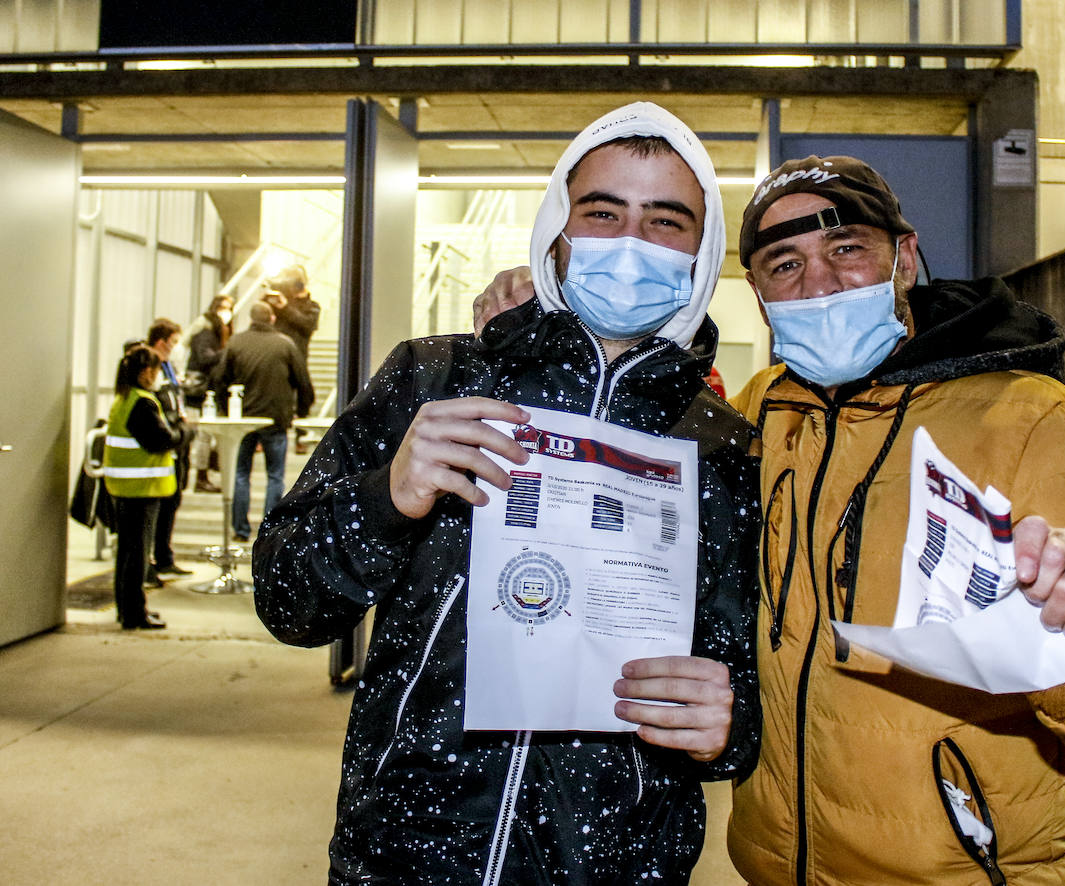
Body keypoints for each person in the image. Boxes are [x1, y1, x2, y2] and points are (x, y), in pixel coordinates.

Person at [473, 154, 1065, 884]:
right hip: (772, 864)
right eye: (784, 265)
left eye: (847, 250)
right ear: (756, 294)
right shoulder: (760, 413)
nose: (819, 284)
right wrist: (545, 324)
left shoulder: (1037, 423)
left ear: (904, 258)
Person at [251, 102, 761, 884]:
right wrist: (387, 497)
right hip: (404, 856)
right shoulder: (436, 379)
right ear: (557, 229)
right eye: (602, 212)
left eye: (666, 222)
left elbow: (745, 690)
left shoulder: (720, 447)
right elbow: (288, 602)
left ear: (703, 252)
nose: (629, 244)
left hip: (617, 866)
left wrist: (723, 726)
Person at [103, 345, 193, 629]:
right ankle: (134, 613)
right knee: (137, 555)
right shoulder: (143, 402)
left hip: (126, 488)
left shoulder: (123, 398)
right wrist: (187, 431)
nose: (157, 376)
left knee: (127, 554)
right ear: (146, 372)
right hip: (142, 489)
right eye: (155, 370)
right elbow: (162, 440)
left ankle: (127, 609)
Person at [214, 301, 313, 543]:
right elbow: (304, 383)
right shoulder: (285, 344)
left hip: (243, 420)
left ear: (251, 318)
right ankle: (269, 530)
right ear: (271, 319)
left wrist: (224, 410)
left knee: (240, 473)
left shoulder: (236, 342)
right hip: (275, 419)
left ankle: (240, 530)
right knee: (275, 476)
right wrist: (300, 411)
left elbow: (219, 379)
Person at [145, 318, 193, 581]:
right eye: (173, 342)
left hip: (177, 441)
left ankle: (164, 557)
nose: (175, 347)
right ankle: (150, 561)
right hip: (163, 444)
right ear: (162, 341)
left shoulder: (169, 367)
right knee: (159, 506)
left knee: (172, 502)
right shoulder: (149, 364)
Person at [263, 264, 321, 454]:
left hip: (298, 355)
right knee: (271, 392)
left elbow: (307, 325)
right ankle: (263, 434)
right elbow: (263, 315)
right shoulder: (278, 301)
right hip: (276, 355)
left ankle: (300, 436)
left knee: (305, 395)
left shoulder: (312, 307)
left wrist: (285, 307)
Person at [184, 294, 235, 493]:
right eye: (222, 307)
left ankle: (206, 471)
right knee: (204, 435)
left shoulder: (220, 331)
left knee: (209, 435)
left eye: (229, 307)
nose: (226, 312)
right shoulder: (205, 332)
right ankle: (201, 476)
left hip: (211, 390)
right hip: (202, 391)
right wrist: (228, 351)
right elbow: (205, 359)